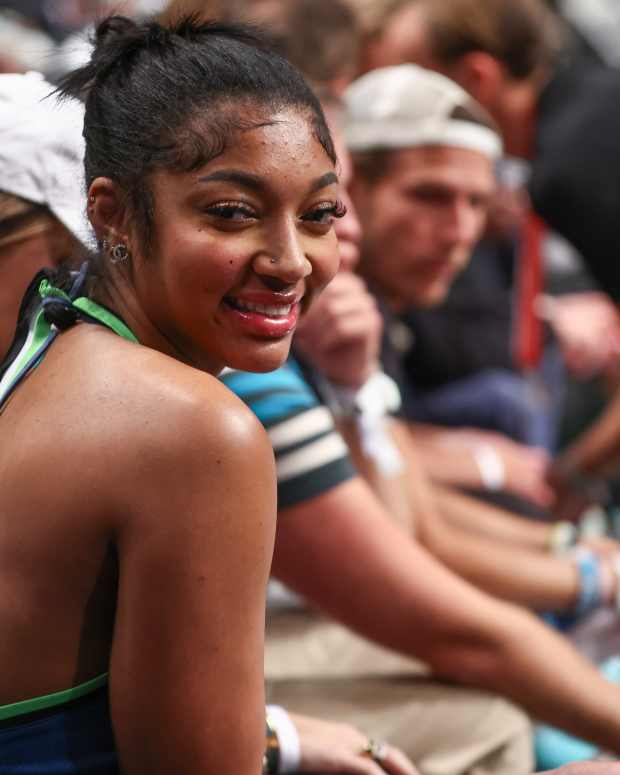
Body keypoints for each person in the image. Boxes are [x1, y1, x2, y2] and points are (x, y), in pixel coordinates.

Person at [222, 67, 620, 771]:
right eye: (234, 212)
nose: (461, 230)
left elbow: (408, 521)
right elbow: (423, 573)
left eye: (475, 201)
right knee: (495, 713)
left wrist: (568, 547)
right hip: (248, 666)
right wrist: (582, 573)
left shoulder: (336, 328)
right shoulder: (249, 363)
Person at [0, 15, 347, 775]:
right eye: (232, 212)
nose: (291, 262)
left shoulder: (52, 327)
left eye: (319, 214)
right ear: (111, 212)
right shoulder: (196, 432)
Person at [354, 0, 620, 517]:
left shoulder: (569, 171)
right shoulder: (596, 102)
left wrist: (573, 476)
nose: (458, 232)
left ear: (477, 76)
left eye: (407, 74)